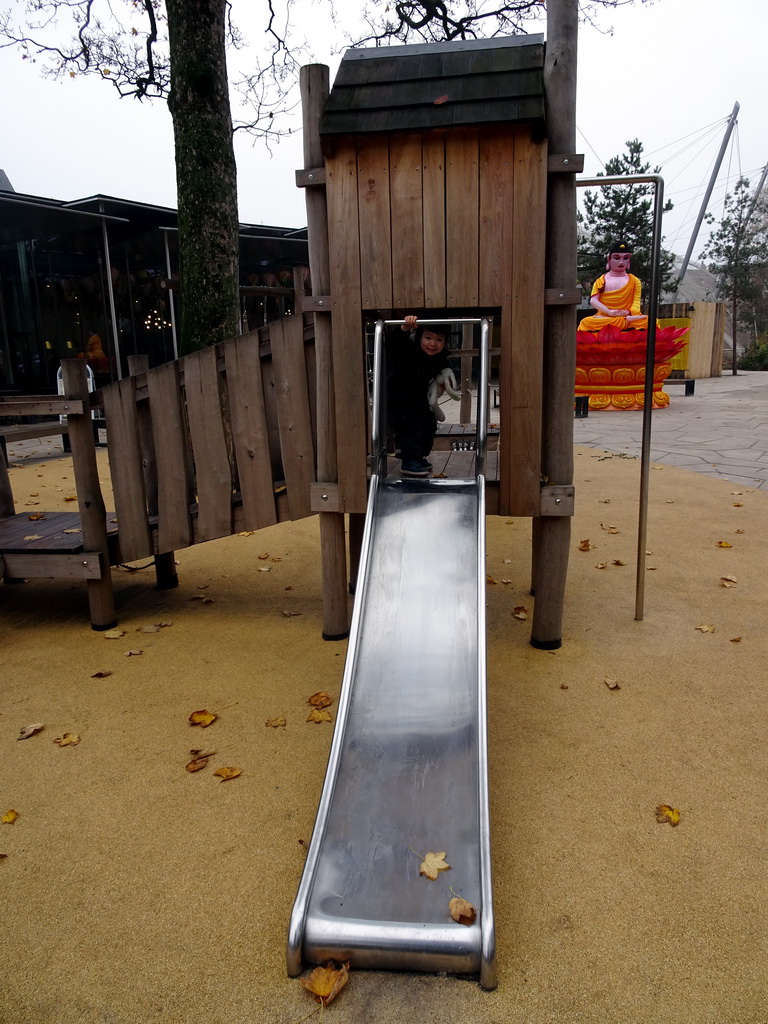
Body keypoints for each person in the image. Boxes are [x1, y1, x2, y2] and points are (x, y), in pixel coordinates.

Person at [386, 316, 452, 477]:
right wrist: (404, 329)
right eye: (428, 338)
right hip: (399, 400)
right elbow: (393, 345)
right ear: (419, 337)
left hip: (419, 400)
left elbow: (444, 368)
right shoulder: (409, 350)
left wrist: (443, 379)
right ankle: (409, 460)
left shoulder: (440, 357)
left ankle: (419, 456)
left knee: (429, 425)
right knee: (411, 429)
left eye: (439, 339)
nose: (433, 344)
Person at [577, 241, 650, 332]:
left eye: (625, 258)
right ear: (609, 259)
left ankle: (625, 322)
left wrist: (628, 312)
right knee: (586, 322)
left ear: (629, 261)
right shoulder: (602, 280)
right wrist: (609, 312)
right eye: (616, 258)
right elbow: (593, 300)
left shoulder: (635, 281)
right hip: (606, 317)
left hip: (628, 316)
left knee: (650, 322)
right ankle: (624, 324)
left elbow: (636, 303)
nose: (621, 262)